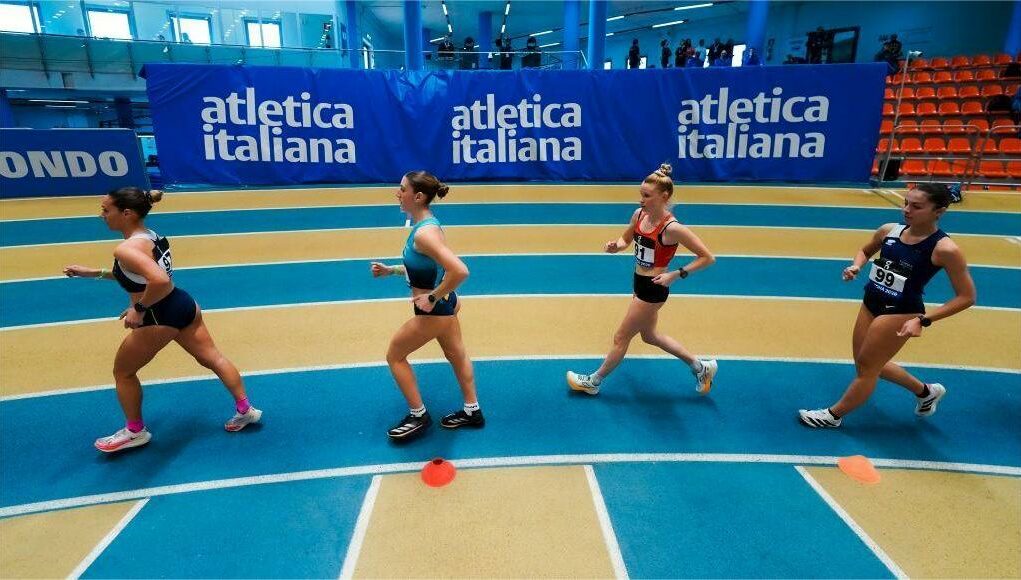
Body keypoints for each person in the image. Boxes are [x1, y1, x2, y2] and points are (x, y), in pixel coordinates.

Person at [63, 188, 261, 453]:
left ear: (127, 213)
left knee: (123, 372)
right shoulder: (150, 235)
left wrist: (140, 308)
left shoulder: (125, 249)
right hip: (182, 305)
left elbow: (159, 280)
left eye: (106, 210)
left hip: (159, 316)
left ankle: (135, 432)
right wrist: (95, 273)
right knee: (213, 358)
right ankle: (245, 409)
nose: (102, 216)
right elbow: (140, 275)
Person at [798, 184, 974, 428]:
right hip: (870, 302)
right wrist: (856, 266)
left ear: (939, 211)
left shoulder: (945, 249)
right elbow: (865, 250)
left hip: (901, 311)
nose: (907, 210)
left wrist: (923, 320)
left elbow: (966, 297)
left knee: (867, 371)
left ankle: (833, 415)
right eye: (906, 203)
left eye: (916, 206)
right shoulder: (889, 231)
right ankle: (926, 392)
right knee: (866, 362)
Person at [566, 164, 718, 397]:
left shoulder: (672, 228)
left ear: (664, 197)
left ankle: (594, 381)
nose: (641, 200)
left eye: (647, 196)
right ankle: (701, 367)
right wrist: (615, 246)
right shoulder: (639, 216)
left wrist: (676, 274)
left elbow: (707, 258)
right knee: (650, 336)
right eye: (641, 194)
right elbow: (626, 240)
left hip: (654, 288)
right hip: (638, 281)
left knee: (621, 337)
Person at [370, 171, 483, 441]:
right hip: (446, 305)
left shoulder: (424, 235)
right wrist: (392, 271)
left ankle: (418, 415)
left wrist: (431, 298)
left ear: (418, 196)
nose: (397, 193)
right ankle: (472, 410)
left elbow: (460, 271)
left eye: (402, 189)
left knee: (394, 356)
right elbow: (425, 267)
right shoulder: (427, 226)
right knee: (457, 354)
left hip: (434, 311)